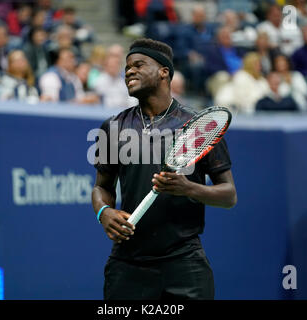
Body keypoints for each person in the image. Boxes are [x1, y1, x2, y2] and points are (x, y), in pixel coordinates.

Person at [91, 38, 237, 300]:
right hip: (127, 266)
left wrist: (188, 188)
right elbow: (102, 186)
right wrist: (104, 211)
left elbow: (229, 195)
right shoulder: (112, 127)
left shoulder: (198, 127)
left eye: (138, 65)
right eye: (126, 68)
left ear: (164, 72)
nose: (129, 72)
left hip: (184, 265)